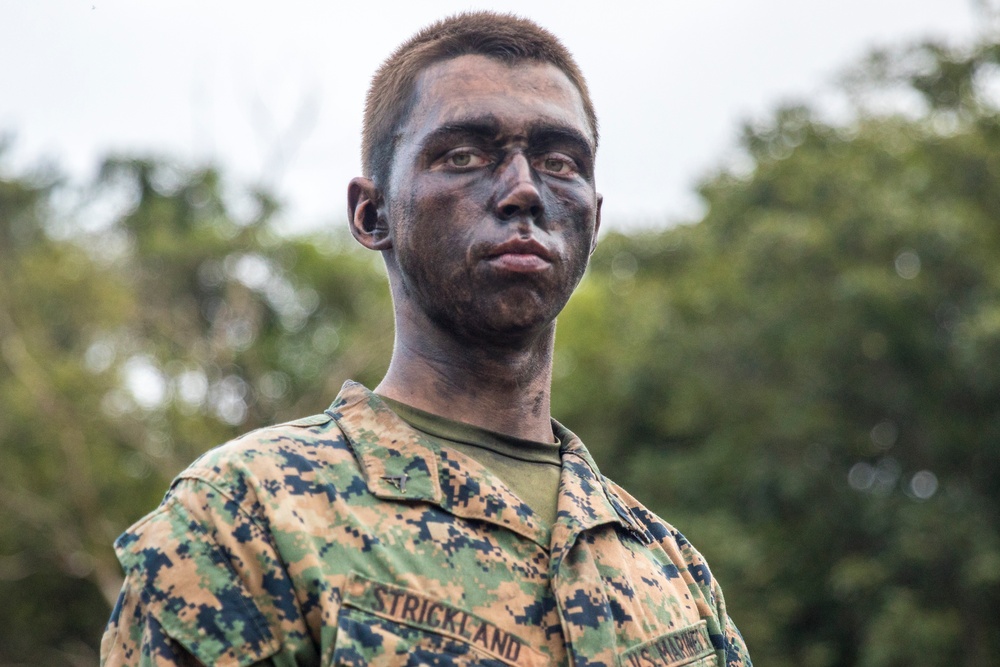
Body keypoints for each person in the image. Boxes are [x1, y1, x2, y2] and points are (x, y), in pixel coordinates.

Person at [101, 11, 752, 667]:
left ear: (594, 216)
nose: (524, 189)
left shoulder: (672, 572)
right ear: (372, 212)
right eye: (464, 155)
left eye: (560, 162)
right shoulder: (245, 518)